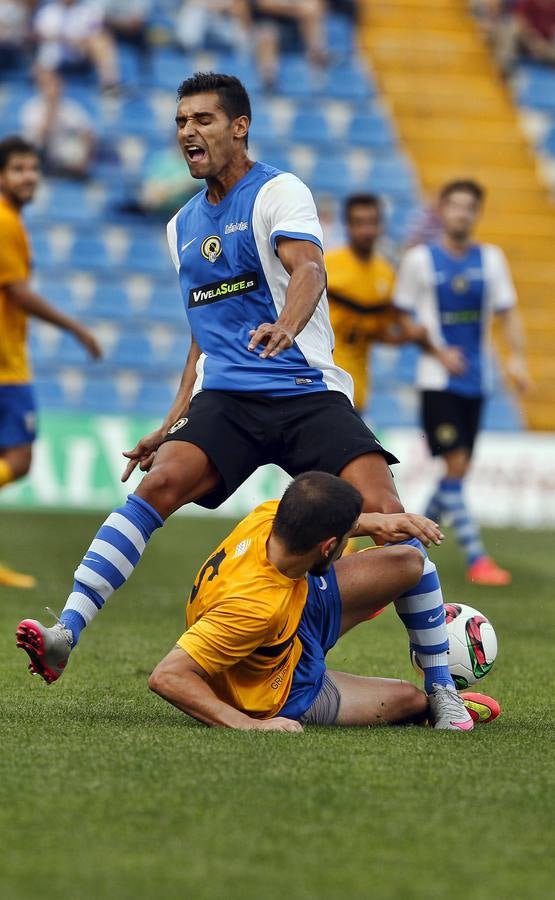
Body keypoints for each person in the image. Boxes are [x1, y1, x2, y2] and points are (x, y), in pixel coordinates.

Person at [16, 74, 471, 731]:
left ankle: (441, 694)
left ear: (239, 127)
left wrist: (287, 322)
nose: (187, 132)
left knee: (387, 513)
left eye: (202, 119)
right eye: (179, 121)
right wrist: (172, 418)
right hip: (229, 394)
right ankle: (66, 631)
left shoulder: (278, 191)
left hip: (302, 388)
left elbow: (309, 269)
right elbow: (201, 333)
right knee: (160, 482)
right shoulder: (179, 227)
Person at [147, 472, 498, 731]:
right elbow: (168, 676)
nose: (351, 540)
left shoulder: (268, 516)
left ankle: (441, 686)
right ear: (328, 546)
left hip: (300, 604)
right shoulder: (253, 608)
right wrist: (246, 724)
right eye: (347, 537)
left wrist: (379, 520)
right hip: (285, 685)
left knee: (409, 558)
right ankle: (426, 704)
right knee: (407, 700)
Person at [393, 179, 529, 586]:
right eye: (454, 206)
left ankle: (403, 549)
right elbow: (401, 316)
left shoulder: (491, 260)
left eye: (469, 207)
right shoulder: (420, 260)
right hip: (437, 382)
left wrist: (517, 361)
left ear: (476, 213)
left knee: (458, 472)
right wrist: (437, 352)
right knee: (454, 465)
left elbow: (509, 313)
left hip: (477, 383)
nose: (461, 214)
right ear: (442, 211)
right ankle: (477, 558)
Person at [0, 135, 102, 588]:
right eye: (19, 168)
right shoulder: (4, 222)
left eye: (33, 168)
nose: (29, 176)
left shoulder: (11, 222)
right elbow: (16, 292)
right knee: (18, 460)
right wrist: (76, 328)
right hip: (5, 367)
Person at [325, 194, 397, 413]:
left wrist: (414, 335)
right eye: (359, 223)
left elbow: (381, 331)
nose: (366, 231)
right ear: (347, 225)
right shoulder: (327, 264)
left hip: (357, 387)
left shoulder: (386, 274)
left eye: (372, 223)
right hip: (323, 381)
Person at [21, 68, 96, 179]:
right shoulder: (32, 108)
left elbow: (89, 135)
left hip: (71, 165)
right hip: (43, 163)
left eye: (57, 84)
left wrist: (83, 161)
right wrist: (51, 108)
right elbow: (40, 138)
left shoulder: (71, 107)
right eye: (48, 85)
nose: (54, 89)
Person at [33, 0, 120, 92]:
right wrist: (67, 40)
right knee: (40, 62)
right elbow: (41, 35)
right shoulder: (47, 11)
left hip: (82, 56)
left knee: (101, 41)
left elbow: (96, 32)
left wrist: (79, 41)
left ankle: (109, 86)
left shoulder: (89, 11)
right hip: (53, 57)